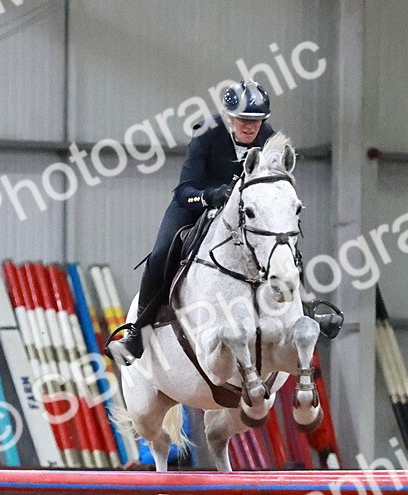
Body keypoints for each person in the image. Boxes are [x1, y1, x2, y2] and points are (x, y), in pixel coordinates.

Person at [108, 80, 339, 365]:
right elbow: (183, 190)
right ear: (229, 116)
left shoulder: (269, 139)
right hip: (199, 202)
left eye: (256, 121)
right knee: (160, 253)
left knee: (282, 244)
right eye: (243, 119)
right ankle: (137, 335)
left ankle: (303, 309)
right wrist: (210, 196)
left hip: (246, 211)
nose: (249, 127)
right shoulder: (207, 134)